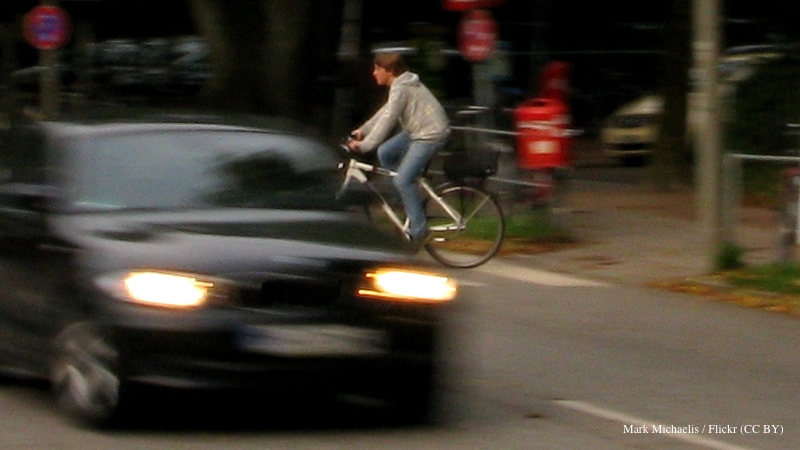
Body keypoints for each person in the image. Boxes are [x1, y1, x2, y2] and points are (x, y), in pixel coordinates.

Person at [347, 52, 450, 248]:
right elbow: (386, 111)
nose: (374, 73)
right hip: (417, 129)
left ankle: (418, 231)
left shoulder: (401, 88)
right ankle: (404, 199)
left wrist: (364, 145)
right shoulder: (399, 85)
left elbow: (388, 120)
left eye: (378, 69)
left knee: (402, 179)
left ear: (390, 71)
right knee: (386, 152)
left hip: (430, 134)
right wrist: (363, 130)